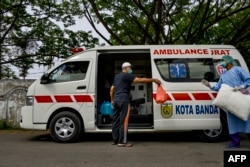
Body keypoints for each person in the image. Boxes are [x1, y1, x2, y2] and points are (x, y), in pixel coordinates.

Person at [202, 55, 250, 148]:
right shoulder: (223, 75)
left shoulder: (238, 70)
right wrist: (209, 86)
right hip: (230, 101)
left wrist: (242, 86)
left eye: (223, 61)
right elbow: (218, 87)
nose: (221, 63)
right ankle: (235, 143)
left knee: (247, 119)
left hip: (241, 98)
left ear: (229, 62)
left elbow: (248, 79)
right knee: (232, 122)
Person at [110, 62, 161, 147]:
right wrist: (153, 80)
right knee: (124, 121)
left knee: (115, 121)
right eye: (130, 68)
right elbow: (140, 80)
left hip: (116, 100)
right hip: (124, 101)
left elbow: (111, 89)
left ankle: (115, 140)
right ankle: (122, 142)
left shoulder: (117, 76)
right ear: (125, 68)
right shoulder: (127, 75)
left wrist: (112, 100)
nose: (131, 69)